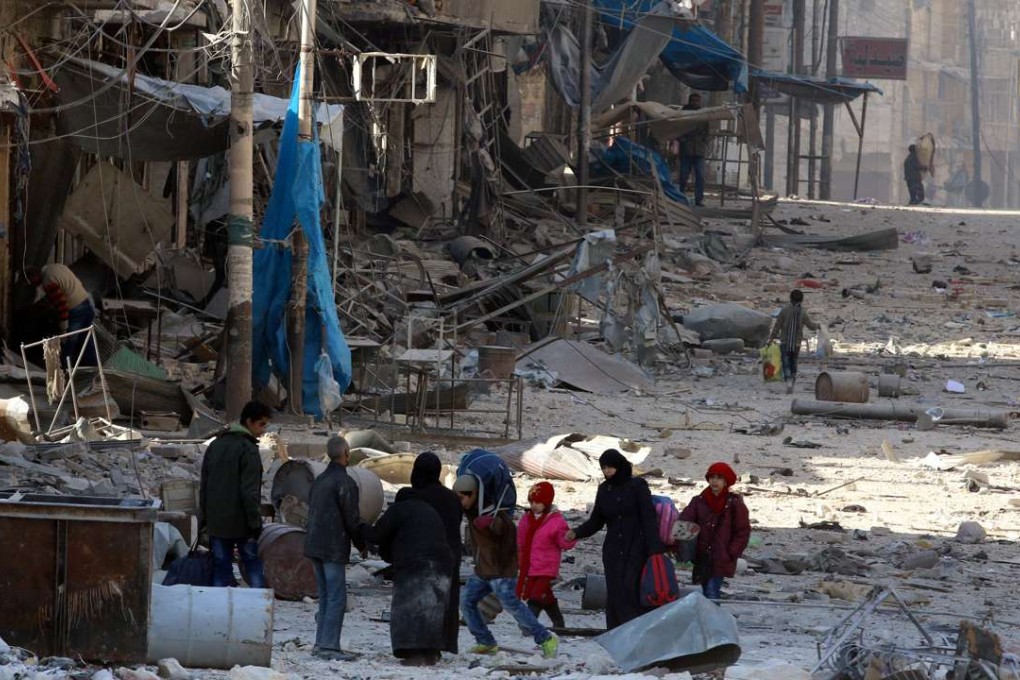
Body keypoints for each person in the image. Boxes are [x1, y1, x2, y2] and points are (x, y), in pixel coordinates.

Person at [455, 474, 559, 658]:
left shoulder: (494, 514)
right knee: (466, 601)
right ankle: (485, 641)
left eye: (462, 497)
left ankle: (546, 638)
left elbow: (506, 531)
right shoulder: (473, 513)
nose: (459, 502)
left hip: (501, 572)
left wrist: (491, 526)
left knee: (514, 607)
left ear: (472, 495)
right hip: (483, 571)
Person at [565, 449, 663, 630]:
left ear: (618, 465)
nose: (607, 471)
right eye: (604, 468)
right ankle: (616, 632)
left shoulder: (637, 486)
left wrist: (654, 549)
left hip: (636, 548)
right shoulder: (604, 489)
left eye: (610, 467)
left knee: (630, 590)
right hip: (612, 550)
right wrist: (576, 532)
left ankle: (633, 631)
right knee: (615, 592)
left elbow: (648, 519)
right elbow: (596, 521)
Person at [363, 486, 453, 666]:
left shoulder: (399, 509)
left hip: (416, 565)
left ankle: (414, 654)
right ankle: (431, 654)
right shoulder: (429, 510)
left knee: (410, 609)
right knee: (432, 610)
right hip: (443, 565)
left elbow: (377, 535)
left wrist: (359, 527)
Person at [304, 436, 366, 661]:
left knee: (325, 596)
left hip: (313, 545)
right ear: (346, 453)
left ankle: (320, 643)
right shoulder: (346, 483)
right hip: (332, 548)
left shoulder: (319, 480)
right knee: (336, 597)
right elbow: (352, 520)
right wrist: (362, 544)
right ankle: (329, 646)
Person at [199, 400, 271, 590]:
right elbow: (250, 493)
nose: (263, 430)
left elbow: (204, 487)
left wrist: (205, 520)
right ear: (249, 422)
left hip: (217, 523)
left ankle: (221, 612)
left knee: (221, 567)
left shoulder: (216, 445)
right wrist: (255, 524)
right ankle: (258, 610)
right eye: (261, 424)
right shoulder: (248, 450)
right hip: (242, 524)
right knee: (252, 564)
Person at [408, 452, 463, 655]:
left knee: (427, 601)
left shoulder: (419, 497)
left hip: (427, 555)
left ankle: (427, 646)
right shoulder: (451, 497)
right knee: (448, 601)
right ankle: (446, 643)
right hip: (451, 554)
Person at [679, 462, 751, 601]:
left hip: (721, 556)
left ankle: (712, 621)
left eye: (719, 477)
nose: (715, 481)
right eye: (712, 477)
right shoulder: (698, 501)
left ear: (726, 481)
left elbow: (742, 531)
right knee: (705, 591)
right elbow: (684, 523)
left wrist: (731, 552)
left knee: (712, 592)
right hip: (701, 556)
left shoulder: (734, 504)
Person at [516, 481, 576, 629]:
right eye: (532, 502)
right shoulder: (526, 520)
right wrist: (519, 559)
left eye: (538, 502)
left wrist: (570, 537)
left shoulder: (556, 521)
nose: (534, 505)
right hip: (531, 565)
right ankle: (559, 623)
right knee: (545, 596)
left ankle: (529, 624)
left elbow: (564, 542)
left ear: (547, 502)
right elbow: (520, 542)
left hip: (547, 566)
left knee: (535, 595)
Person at [25, 264, 98, 367]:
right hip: (86, 303)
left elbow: (62, 306)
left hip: (76, 309)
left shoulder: (48, 281)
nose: (32, 284)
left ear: (34, 276)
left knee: (68, 343)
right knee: (86, 342)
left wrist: (63, 329)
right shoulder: (56, 267)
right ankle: (94, 370)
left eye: (30, 280)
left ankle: (62, 372)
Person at [767, 288, 820, 394]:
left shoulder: (784, 310)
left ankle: (788, 382)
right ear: (801, 300)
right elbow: (811, 326)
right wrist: (818, 326)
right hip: (796, 343)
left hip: (785, 342)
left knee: (785, 362)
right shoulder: (803, 312)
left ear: (790, 299)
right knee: (793, 362)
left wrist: (771, 339)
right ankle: (793, 380)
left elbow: (777, 326)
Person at [678, 92, 710, 207]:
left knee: (700, 176)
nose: (695, 103)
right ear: (689, 101)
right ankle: (680, 196)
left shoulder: (703, 115)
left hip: (699, 151)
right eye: (693, 100)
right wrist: (683, 140)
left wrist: (704, 141)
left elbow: (706, 132)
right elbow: (677, 130)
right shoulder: (683, 114)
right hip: (686, 151)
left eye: (697, 101)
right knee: (683, 176)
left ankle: (699, 199)